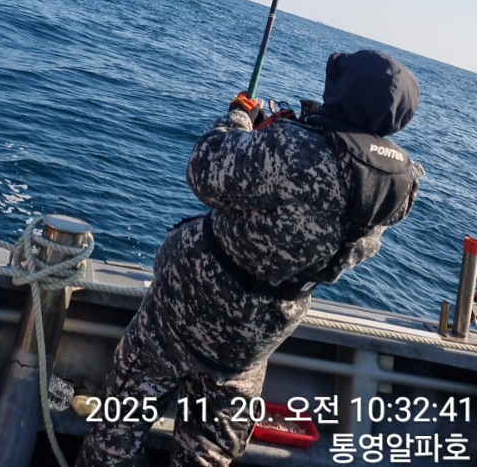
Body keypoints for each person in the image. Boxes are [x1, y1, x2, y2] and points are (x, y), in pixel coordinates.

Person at [76, 49, 424, 467]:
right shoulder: (401, 185)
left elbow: (204, 169)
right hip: (255, 339)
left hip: (183, 312)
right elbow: (320, 189)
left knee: (117, 432)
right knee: (207, 454)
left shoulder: (294, 147)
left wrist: (239, 119)